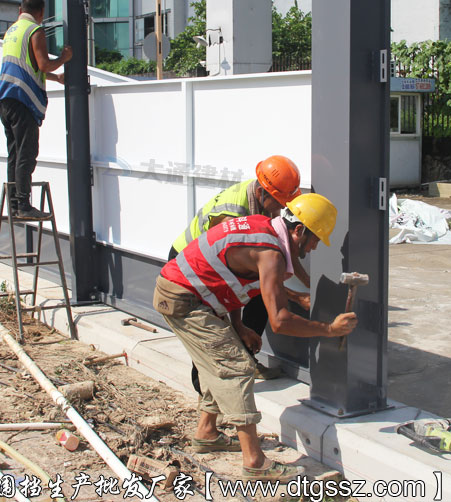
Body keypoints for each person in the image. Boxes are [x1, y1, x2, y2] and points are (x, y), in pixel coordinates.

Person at [153, 193, 357, 482]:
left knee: (219, 362)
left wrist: (238, 326)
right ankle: (255, 463)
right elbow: (280, 321)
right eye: (314, 240)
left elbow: (232, 279)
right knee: (236, 367)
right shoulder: (271, 253)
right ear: (299, 230)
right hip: (183, 299)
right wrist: (330, 330)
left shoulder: (261, 227)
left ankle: (207, 432)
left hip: (189, 293)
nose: (313, 248)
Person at [167, 155, 312, 391]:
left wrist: (309, 283)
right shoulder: (232, 215)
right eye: (279, 202)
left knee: (260, 301)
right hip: (188, 266)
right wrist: (296, 297)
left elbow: (284, 250)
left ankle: (246, 360)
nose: (281, 208)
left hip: (220, 268)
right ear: (262, 193)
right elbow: (232, 277)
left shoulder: (263, 199)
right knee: (211, 328)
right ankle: (204, 387)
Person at [0, 0, 72, 220]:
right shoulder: (34, 31)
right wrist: (64, 58)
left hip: (5, 99)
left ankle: (14, 205)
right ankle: (24, 204)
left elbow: (27, 66)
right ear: (41, 13)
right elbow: (43, 64)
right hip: (22, 99)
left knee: (14, 153)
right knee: (27, 153)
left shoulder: (12, 31)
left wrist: (56, 78)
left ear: (20, 10)